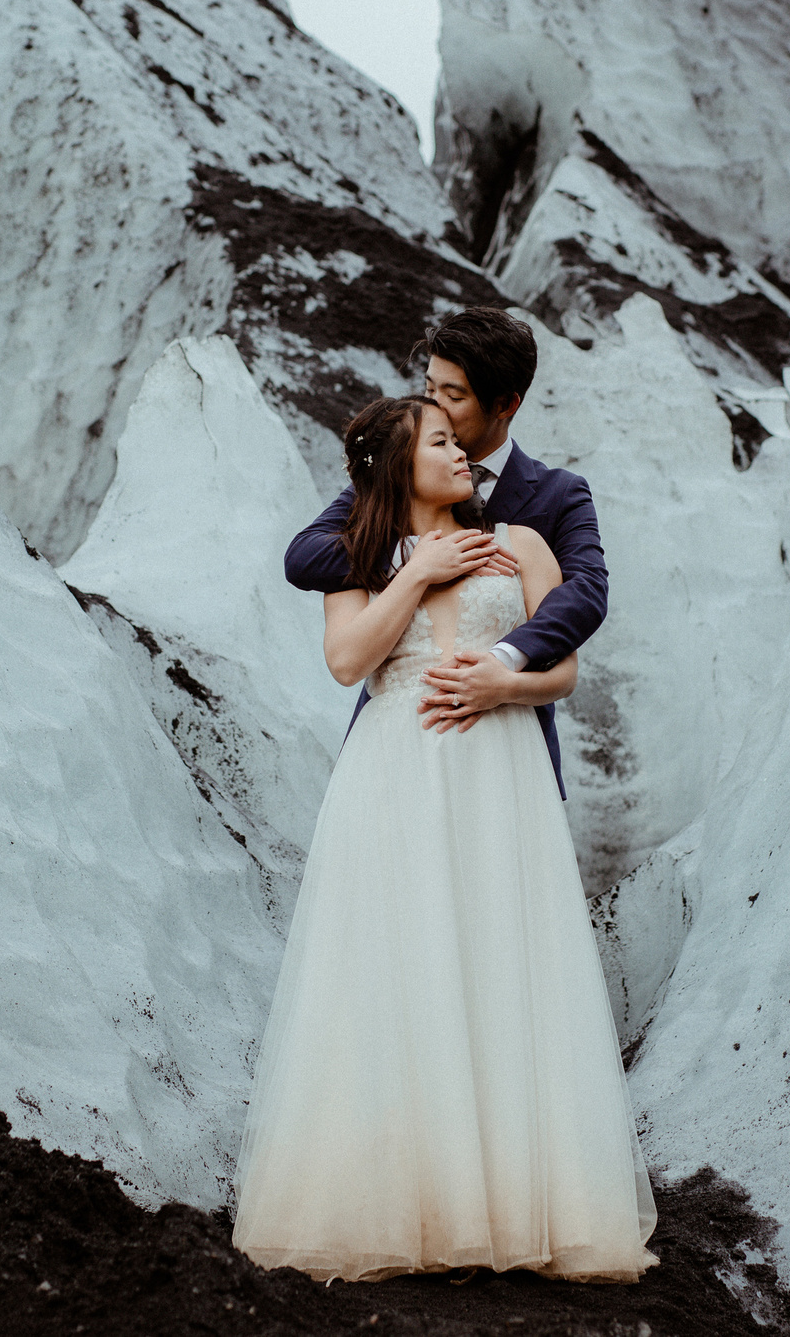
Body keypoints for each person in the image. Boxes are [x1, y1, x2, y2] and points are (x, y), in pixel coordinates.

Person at [230, 389, 657, 1281]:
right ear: (401, 463)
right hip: (395, 769)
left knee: (502, 959)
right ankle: (404, 1202)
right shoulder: (358, 555)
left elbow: (565, 669)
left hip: (500, 766)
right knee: (397, 963)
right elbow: (348, 660)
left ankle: (519, 1204)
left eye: (457, 436)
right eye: (438, 441)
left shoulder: (523, 542)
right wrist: (416, 570)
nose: (460, 451)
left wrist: (507, 686)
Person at [282, 309, 609, 795]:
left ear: (506, 404)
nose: (431, 404)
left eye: (453, 396)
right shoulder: (394, 476)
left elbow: (586, 594)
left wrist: (507, 663)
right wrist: (420, 556)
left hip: (511, 754)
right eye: (429, 386)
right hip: (397, 749)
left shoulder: (557, 494)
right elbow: (305, 557)